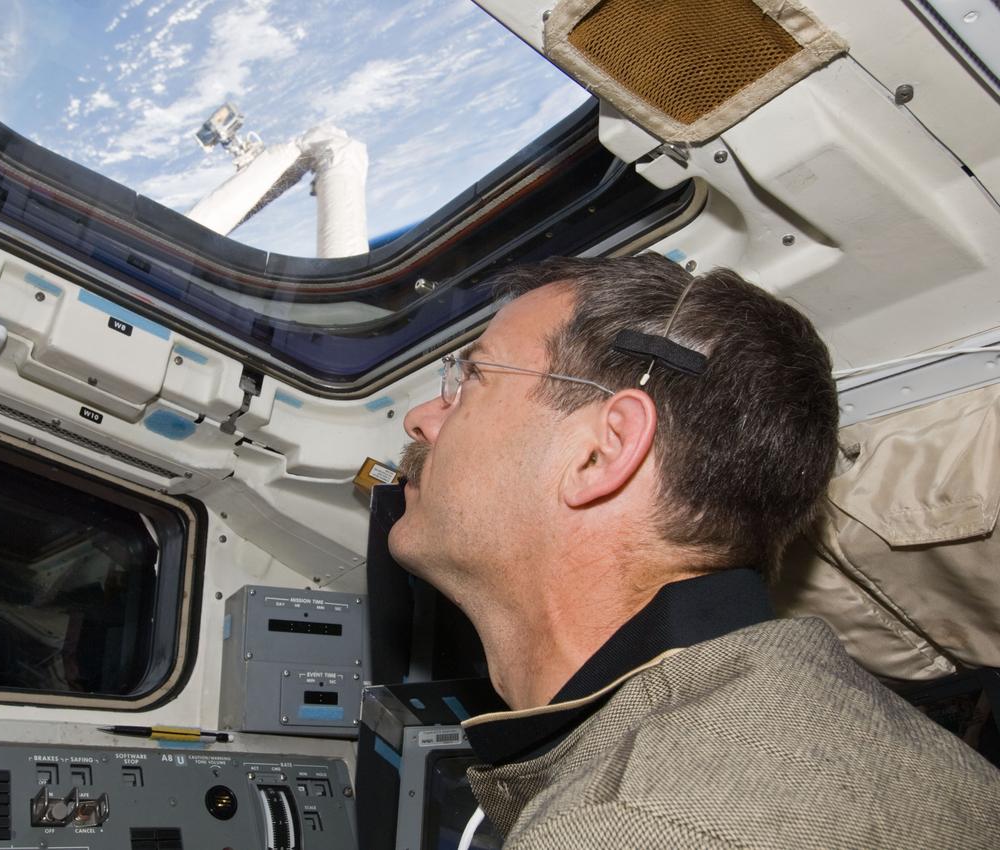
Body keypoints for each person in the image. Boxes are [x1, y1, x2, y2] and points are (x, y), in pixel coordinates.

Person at [388, 254, 1000, 848]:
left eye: (473, 378)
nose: (420, 418)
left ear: (601, 453)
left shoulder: (633, 825)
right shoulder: (850, 728)